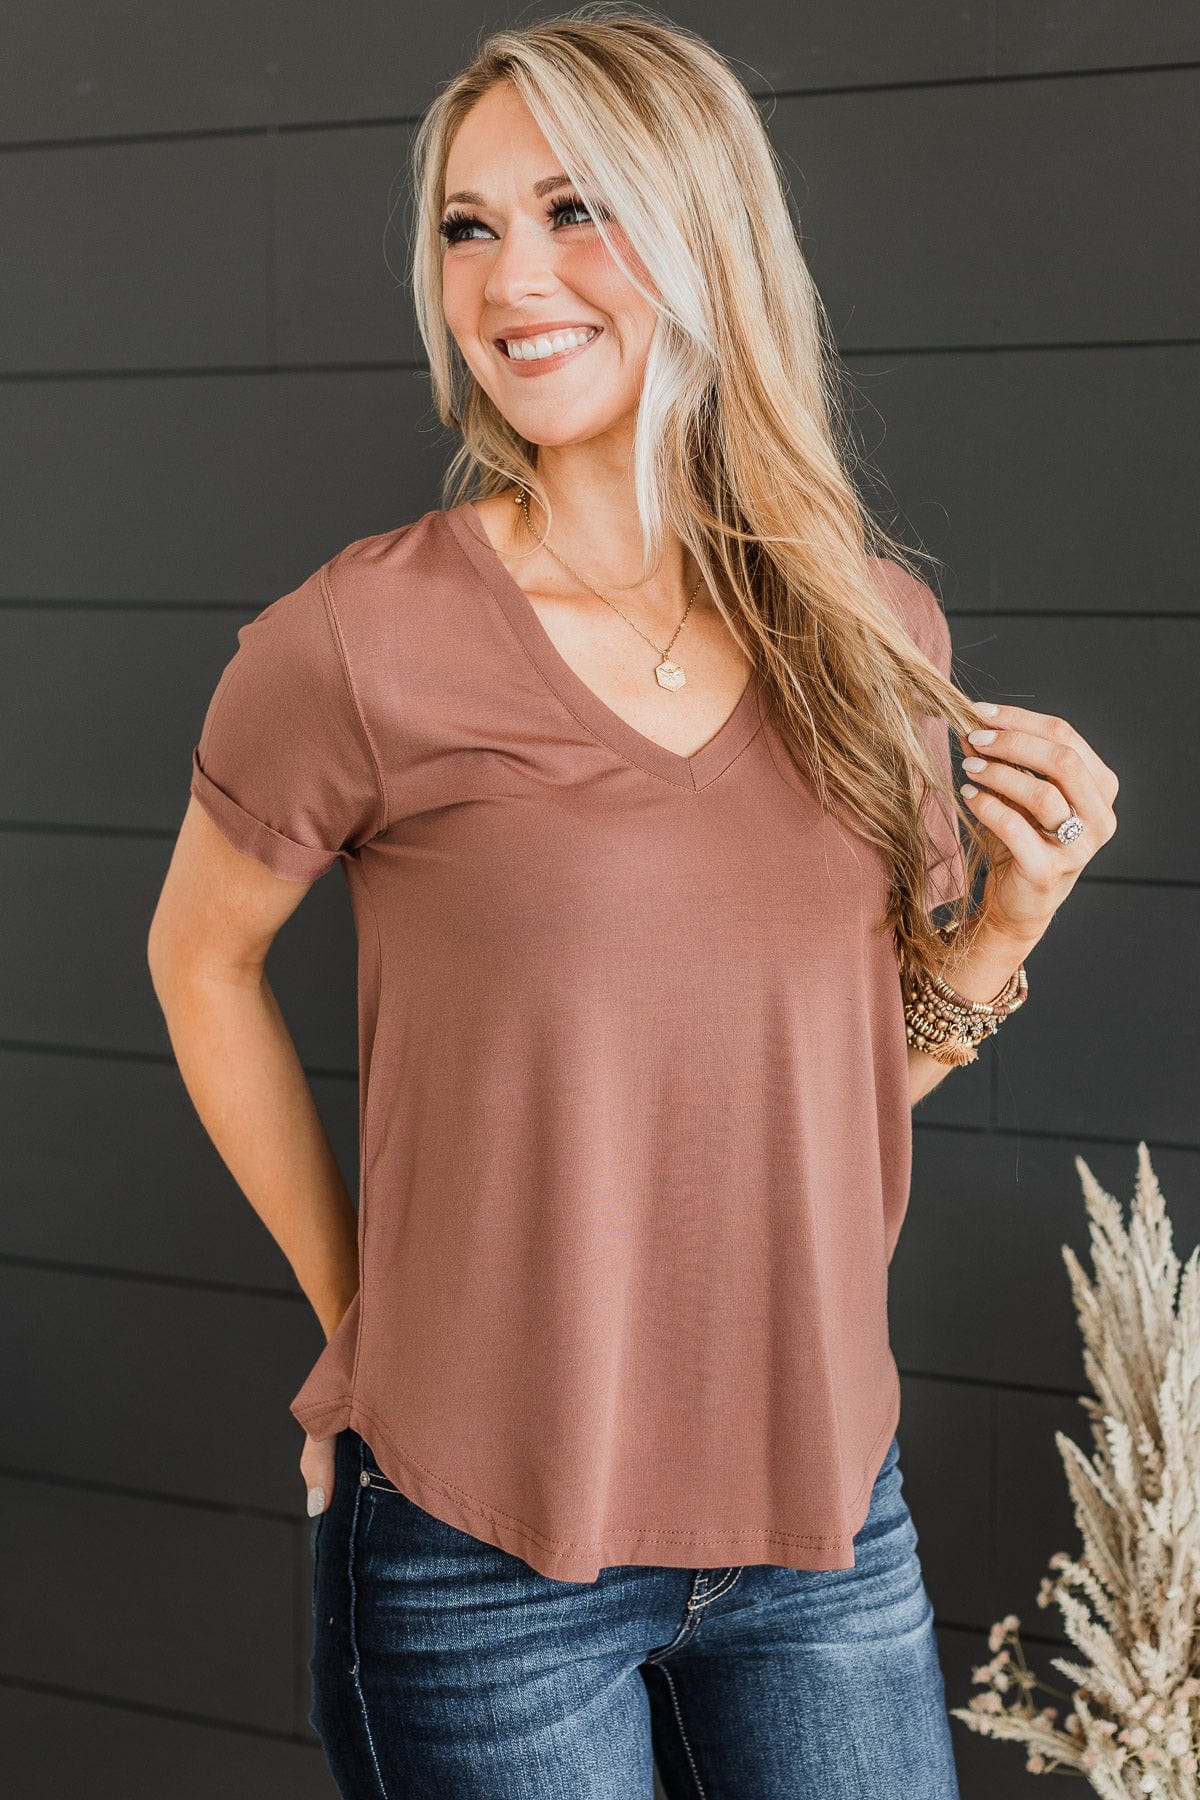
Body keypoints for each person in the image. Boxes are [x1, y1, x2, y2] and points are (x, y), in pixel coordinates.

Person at [147, 8, 1118, 1796]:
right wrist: (362, 1328)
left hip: (825, 1523)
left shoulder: (873, 635)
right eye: (469, 225)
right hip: (480, 1550)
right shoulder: (357, 642)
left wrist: (1004, 927)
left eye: (575, 209)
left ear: (703, 231)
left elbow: (828, 1088)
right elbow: (197, 962)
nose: (510, 278)